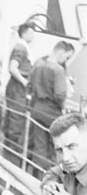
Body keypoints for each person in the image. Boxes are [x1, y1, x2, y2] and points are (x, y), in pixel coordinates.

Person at [27, 40, 74, 170]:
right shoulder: (58, 70)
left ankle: (36, 176)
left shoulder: (37, 64)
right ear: (61, 52)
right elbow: (60, 95)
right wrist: (64, 109)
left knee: (39, 147)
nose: (65, 61)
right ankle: (53, 179)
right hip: (52, 113)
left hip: (37, 109)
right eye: (66, 57)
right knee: (57, 148)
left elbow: (29, 86)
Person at [41, 113, 87, 195]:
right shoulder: (70, 166)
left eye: (71, 147)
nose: (65, 158)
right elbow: (53, 172)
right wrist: (49, 184)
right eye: (60, 150)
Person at [4, 22, 35, 158]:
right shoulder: (21, 48)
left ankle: (9, 149)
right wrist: (24, 82)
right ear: (24, 33)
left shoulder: (23, 47)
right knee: (16, 119)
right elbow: (13, 67)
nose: (33, 35)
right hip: (17, 89)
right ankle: (11, 153)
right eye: (31, 32)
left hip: (16, 88)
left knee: (14, 119)